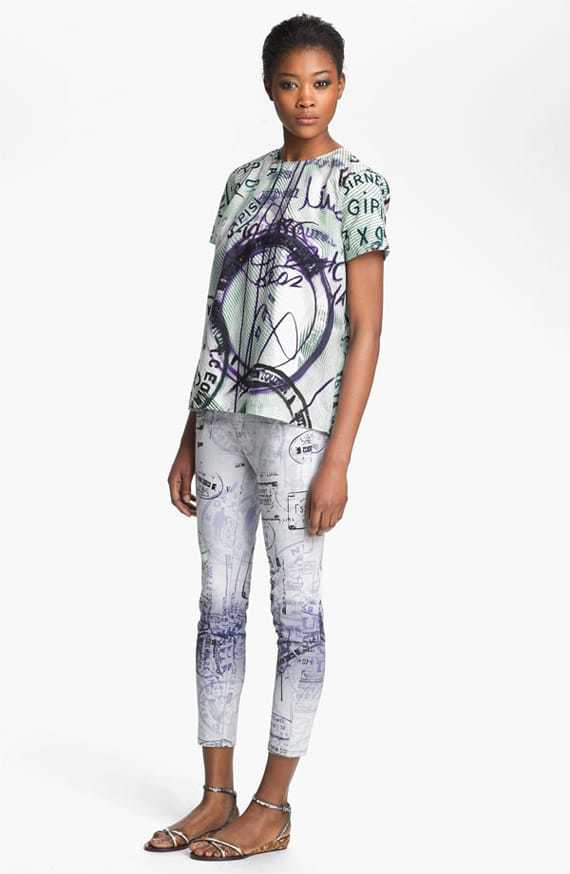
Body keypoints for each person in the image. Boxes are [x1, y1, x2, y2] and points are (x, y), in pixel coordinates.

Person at [143, 12, 390, 862]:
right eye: (290, 84)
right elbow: (220, 316)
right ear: (269, 89)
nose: (305, 99)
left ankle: (273, 805)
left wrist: (339, 457)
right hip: (221, 423)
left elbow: (367, 330)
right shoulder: (242, 182)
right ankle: (216, 794)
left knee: (296, 612)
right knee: (217, 607)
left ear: (341, 86)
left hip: (300, 433)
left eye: (320, 83)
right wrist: (188, 433)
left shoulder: (359, 186)